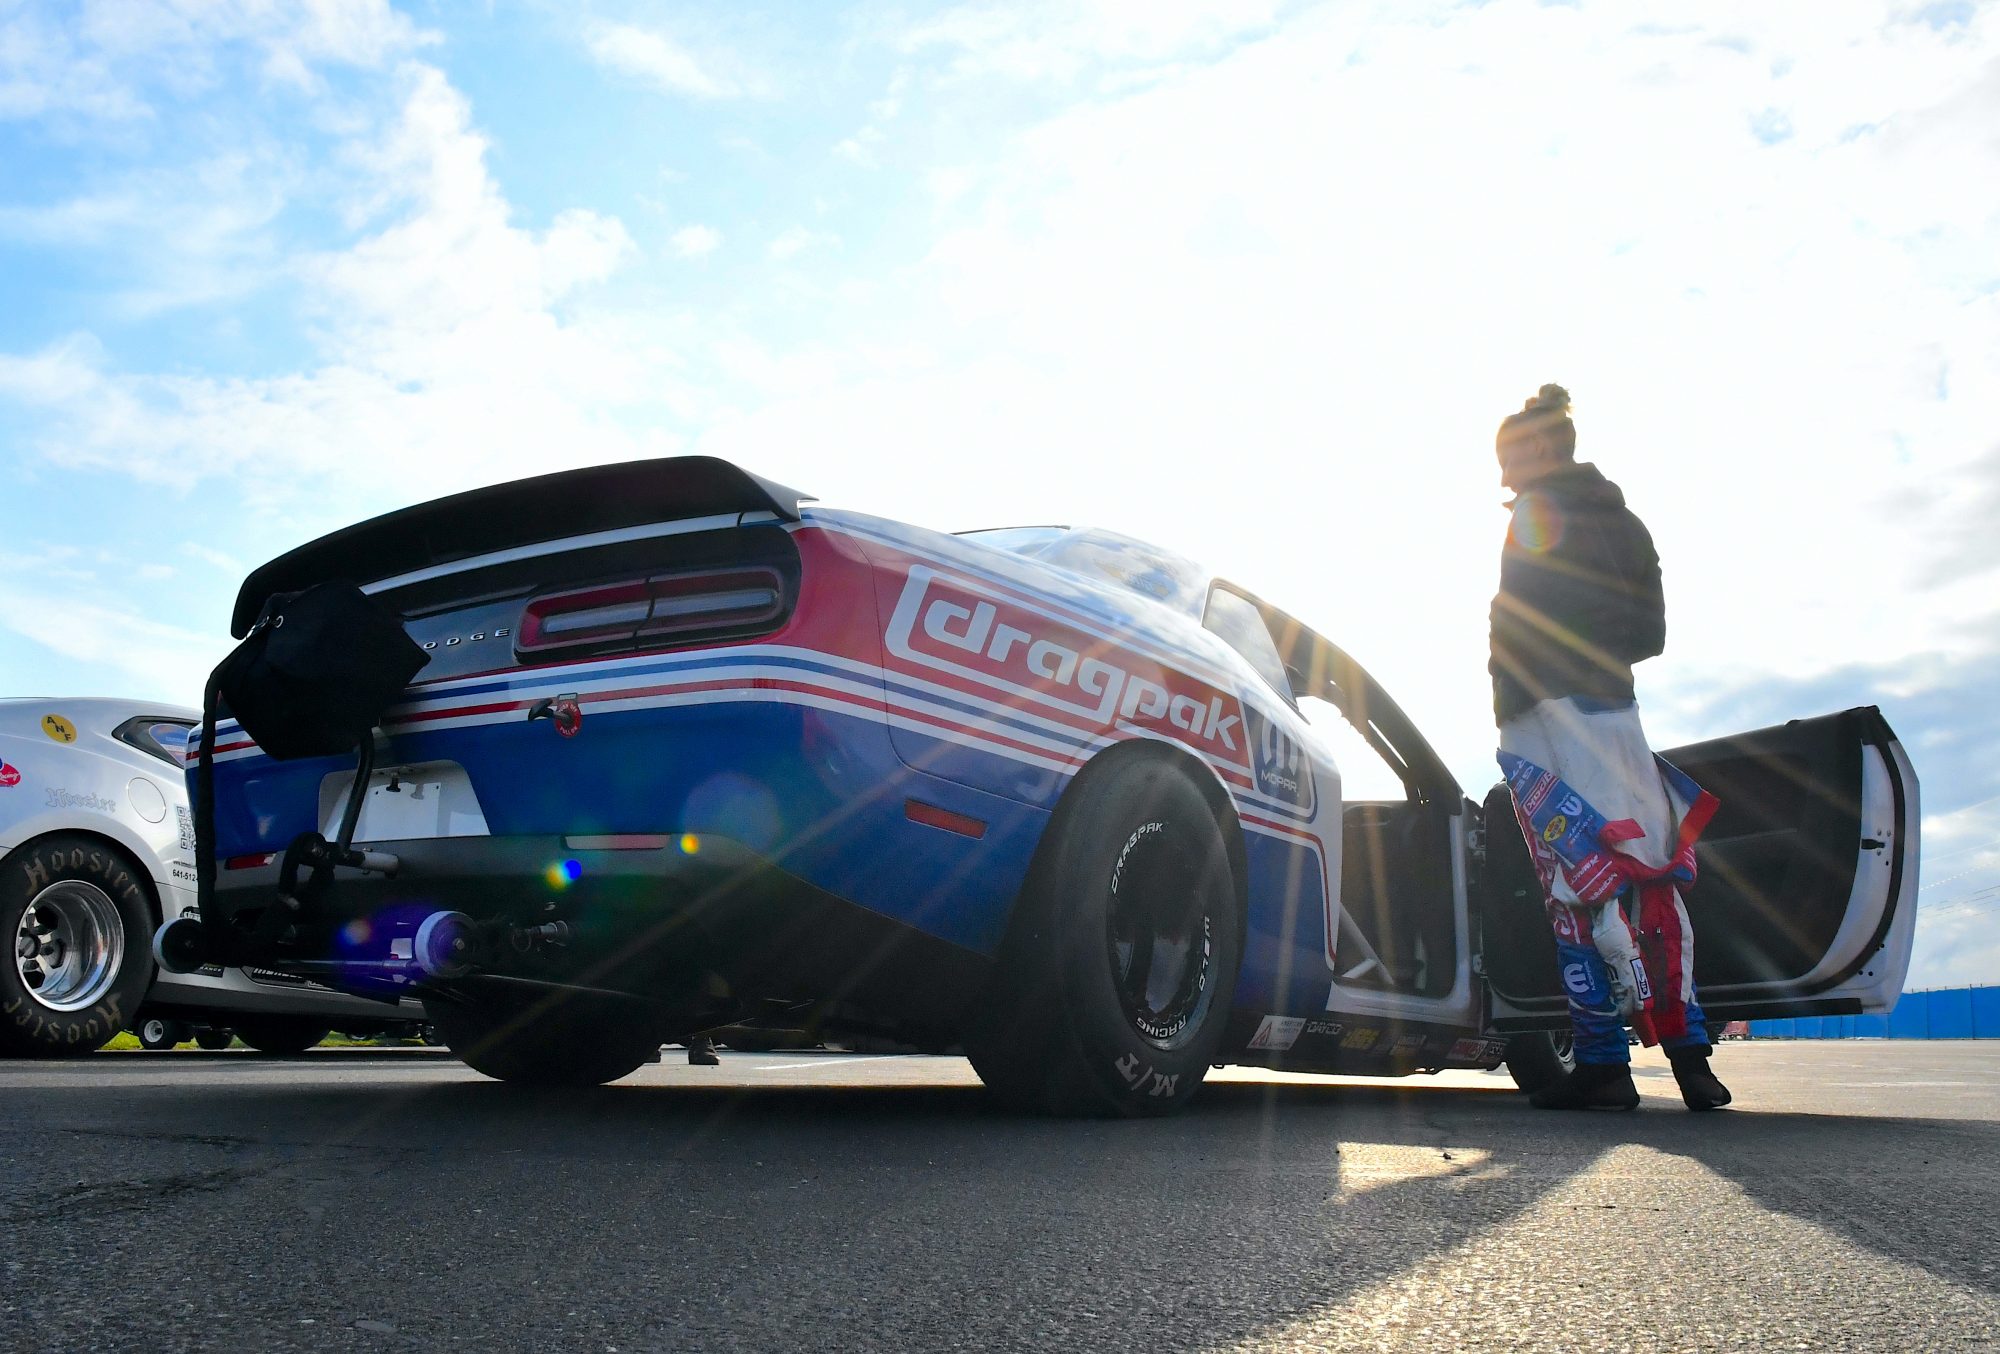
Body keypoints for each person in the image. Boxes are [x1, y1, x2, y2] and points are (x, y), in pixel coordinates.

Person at [1488, 384, 1732, 1112]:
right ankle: (1692, 1061)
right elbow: (1650, 633)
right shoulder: (1626, 522)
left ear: (1538, 449)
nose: (1501, 477)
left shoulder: (1537, 515)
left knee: (1575, 891)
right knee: (1651, 879)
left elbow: (1517, 623)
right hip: (1617, 713)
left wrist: (1518, 687)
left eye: (1506, 457)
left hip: (1547, 722)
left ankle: (1604, 1067)